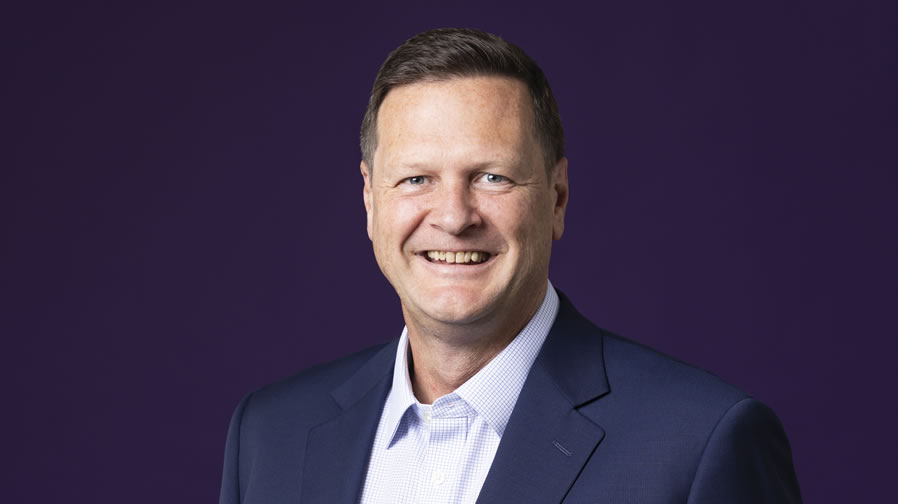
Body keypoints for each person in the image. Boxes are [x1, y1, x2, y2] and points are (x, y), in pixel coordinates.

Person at [218, 28, 802, 503]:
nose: (454, 216)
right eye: (416, 179)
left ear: (557, 198)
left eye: (492, 177)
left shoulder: (699, 444)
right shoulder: (268, 436)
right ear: (371, 200)